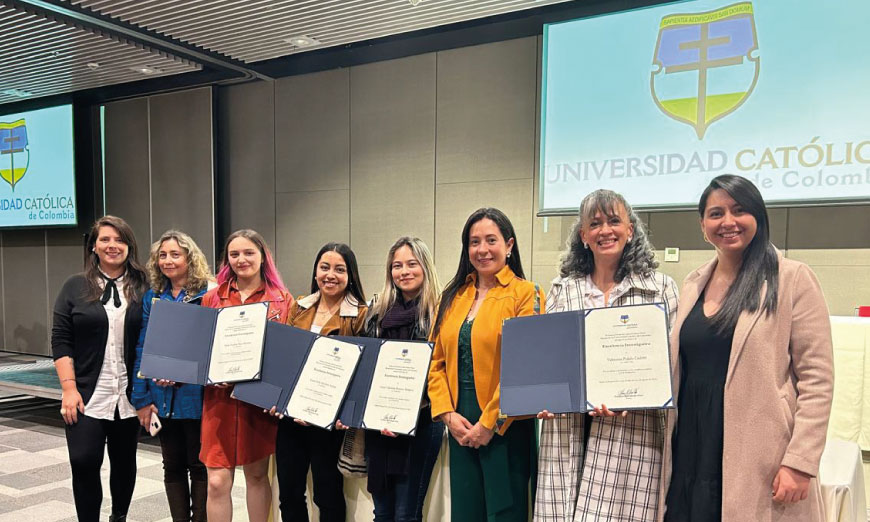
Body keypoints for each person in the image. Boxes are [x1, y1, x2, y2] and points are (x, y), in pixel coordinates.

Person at [662, 174, 834, 521]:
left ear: (758, 216)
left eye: (739, 210)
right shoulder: (693, 283)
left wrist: (800, 462)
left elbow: (817, 380)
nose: (728, 222)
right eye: (716, 213)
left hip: (759, 453)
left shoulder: (792, 278)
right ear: (702, 225)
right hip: (691, 445)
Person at [534, 189, 679, 522]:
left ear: (630, 230)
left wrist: (639, 392)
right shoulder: (563, 288)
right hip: (569, 431)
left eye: (614, 221)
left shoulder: (659, 288)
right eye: (595, 223)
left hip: (632, 432)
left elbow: (672, 366)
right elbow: (552, 359)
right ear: (584, 235)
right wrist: (545, 395)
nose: (605, 230)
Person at [428, 207, 545, 522]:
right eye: (474, 241)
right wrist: (448, 415)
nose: (482, 249)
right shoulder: (452, 297)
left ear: (508, 245)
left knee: (505, 513)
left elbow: (525, 366)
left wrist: (489, 424)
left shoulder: (526, 293)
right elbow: (435, 362)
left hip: (506, 422)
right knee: (466, 512)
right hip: (460, 424)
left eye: (491, 240)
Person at [51, 215, 149, 522]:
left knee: (124, 462)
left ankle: (119, 516)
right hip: (86, 393)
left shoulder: (144, 286)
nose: (112, 245)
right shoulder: (75, 286)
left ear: (129, 246)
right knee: (83, 461)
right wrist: (68, 389)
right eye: (105, 239)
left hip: (128, 395)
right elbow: (61, 339)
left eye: (119, 240)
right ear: (93, 246)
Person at [199, 229, 293, 522]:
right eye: (235, 254)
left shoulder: (282, 301)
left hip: (257, 403)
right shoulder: (212, 298)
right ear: (227, 259)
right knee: (216, 482)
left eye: (249, 252)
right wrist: (215, 373)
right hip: (219, 401)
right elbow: (203, 350)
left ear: (263, 256)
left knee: (256, 475)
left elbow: (285, 356)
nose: (242, 260)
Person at [275, 242, 368, 522]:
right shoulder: (299, 307)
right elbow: (286, 360)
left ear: (350, 275)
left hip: (330, 419)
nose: (330, 275)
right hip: (291, 417)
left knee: (327, 494)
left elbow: (361, 371)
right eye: (324, 267)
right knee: (289, 493)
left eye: (339, 269)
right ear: (315, 271)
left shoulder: (360, 314)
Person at [131, 230, 214, 522]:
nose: (168, 260)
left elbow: (211, 347)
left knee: (199, 464)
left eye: (175, 254)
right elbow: (143, 345)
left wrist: (180, 373)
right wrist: (140, 397)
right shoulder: (153, 297)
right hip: (161, 395)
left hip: (197, 397)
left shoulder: (208, 294)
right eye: (162, 255)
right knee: (172, 465)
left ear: (190, 258)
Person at [363, 237, 445, 522]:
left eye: (412, 264)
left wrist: (403, 413)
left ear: (425, 267)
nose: (404, 271)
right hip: (379, 425)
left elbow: (442, 371)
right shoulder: (376, 313)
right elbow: (366, 368)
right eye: (397, 265)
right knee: (382, 513)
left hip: (422, 422)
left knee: (406, 514)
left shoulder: (441, 312)